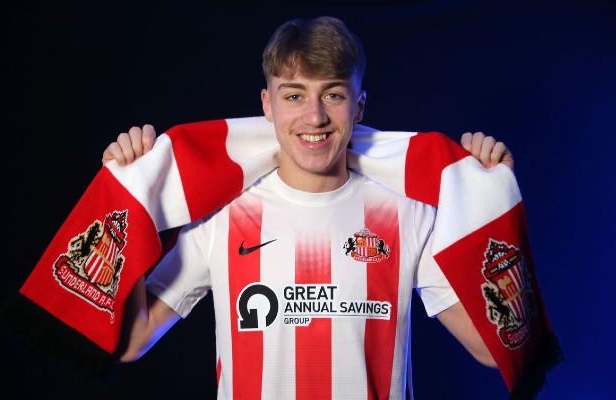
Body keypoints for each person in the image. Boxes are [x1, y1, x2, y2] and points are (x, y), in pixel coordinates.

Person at [103, 16, 514, 399]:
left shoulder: (407, 213)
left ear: (359, 106)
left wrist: (490, 201)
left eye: (333, 94)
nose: (314, 117)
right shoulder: (221, 216)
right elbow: (132, 341)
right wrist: (128, 202)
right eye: (294, 95)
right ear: (268, 104)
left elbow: (492, 349)